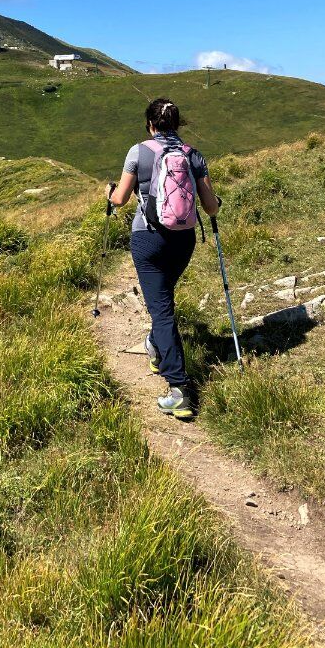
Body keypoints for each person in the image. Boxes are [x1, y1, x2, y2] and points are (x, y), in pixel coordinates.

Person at [106, 98, 220, 420]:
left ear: (150, 124)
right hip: (183, 241)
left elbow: (122, 198)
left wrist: (108, 194)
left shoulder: (137, 152)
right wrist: (217, 201)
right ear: (177, 124)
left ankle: (179, 388)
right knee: (163, 301)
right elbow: (210, 207)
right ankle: (156, 345)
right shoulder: (193, 154)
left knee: (161, 309)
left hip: (148, 240)